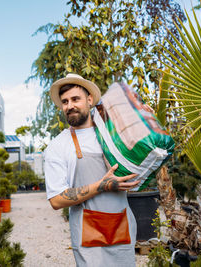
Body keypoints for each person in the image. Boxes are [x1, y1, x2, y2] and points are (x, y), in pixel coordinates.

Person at [44, 73, 140, 267]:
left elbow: (139, 162)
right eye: (65, 101)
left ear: (89, 100)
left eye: (75, 99)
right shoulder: (58, 146)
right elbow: (56, 200)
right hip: (88, 234)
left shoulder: (111, 134)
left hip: (122, 224)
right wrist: (101, 186)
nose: (69, 105)